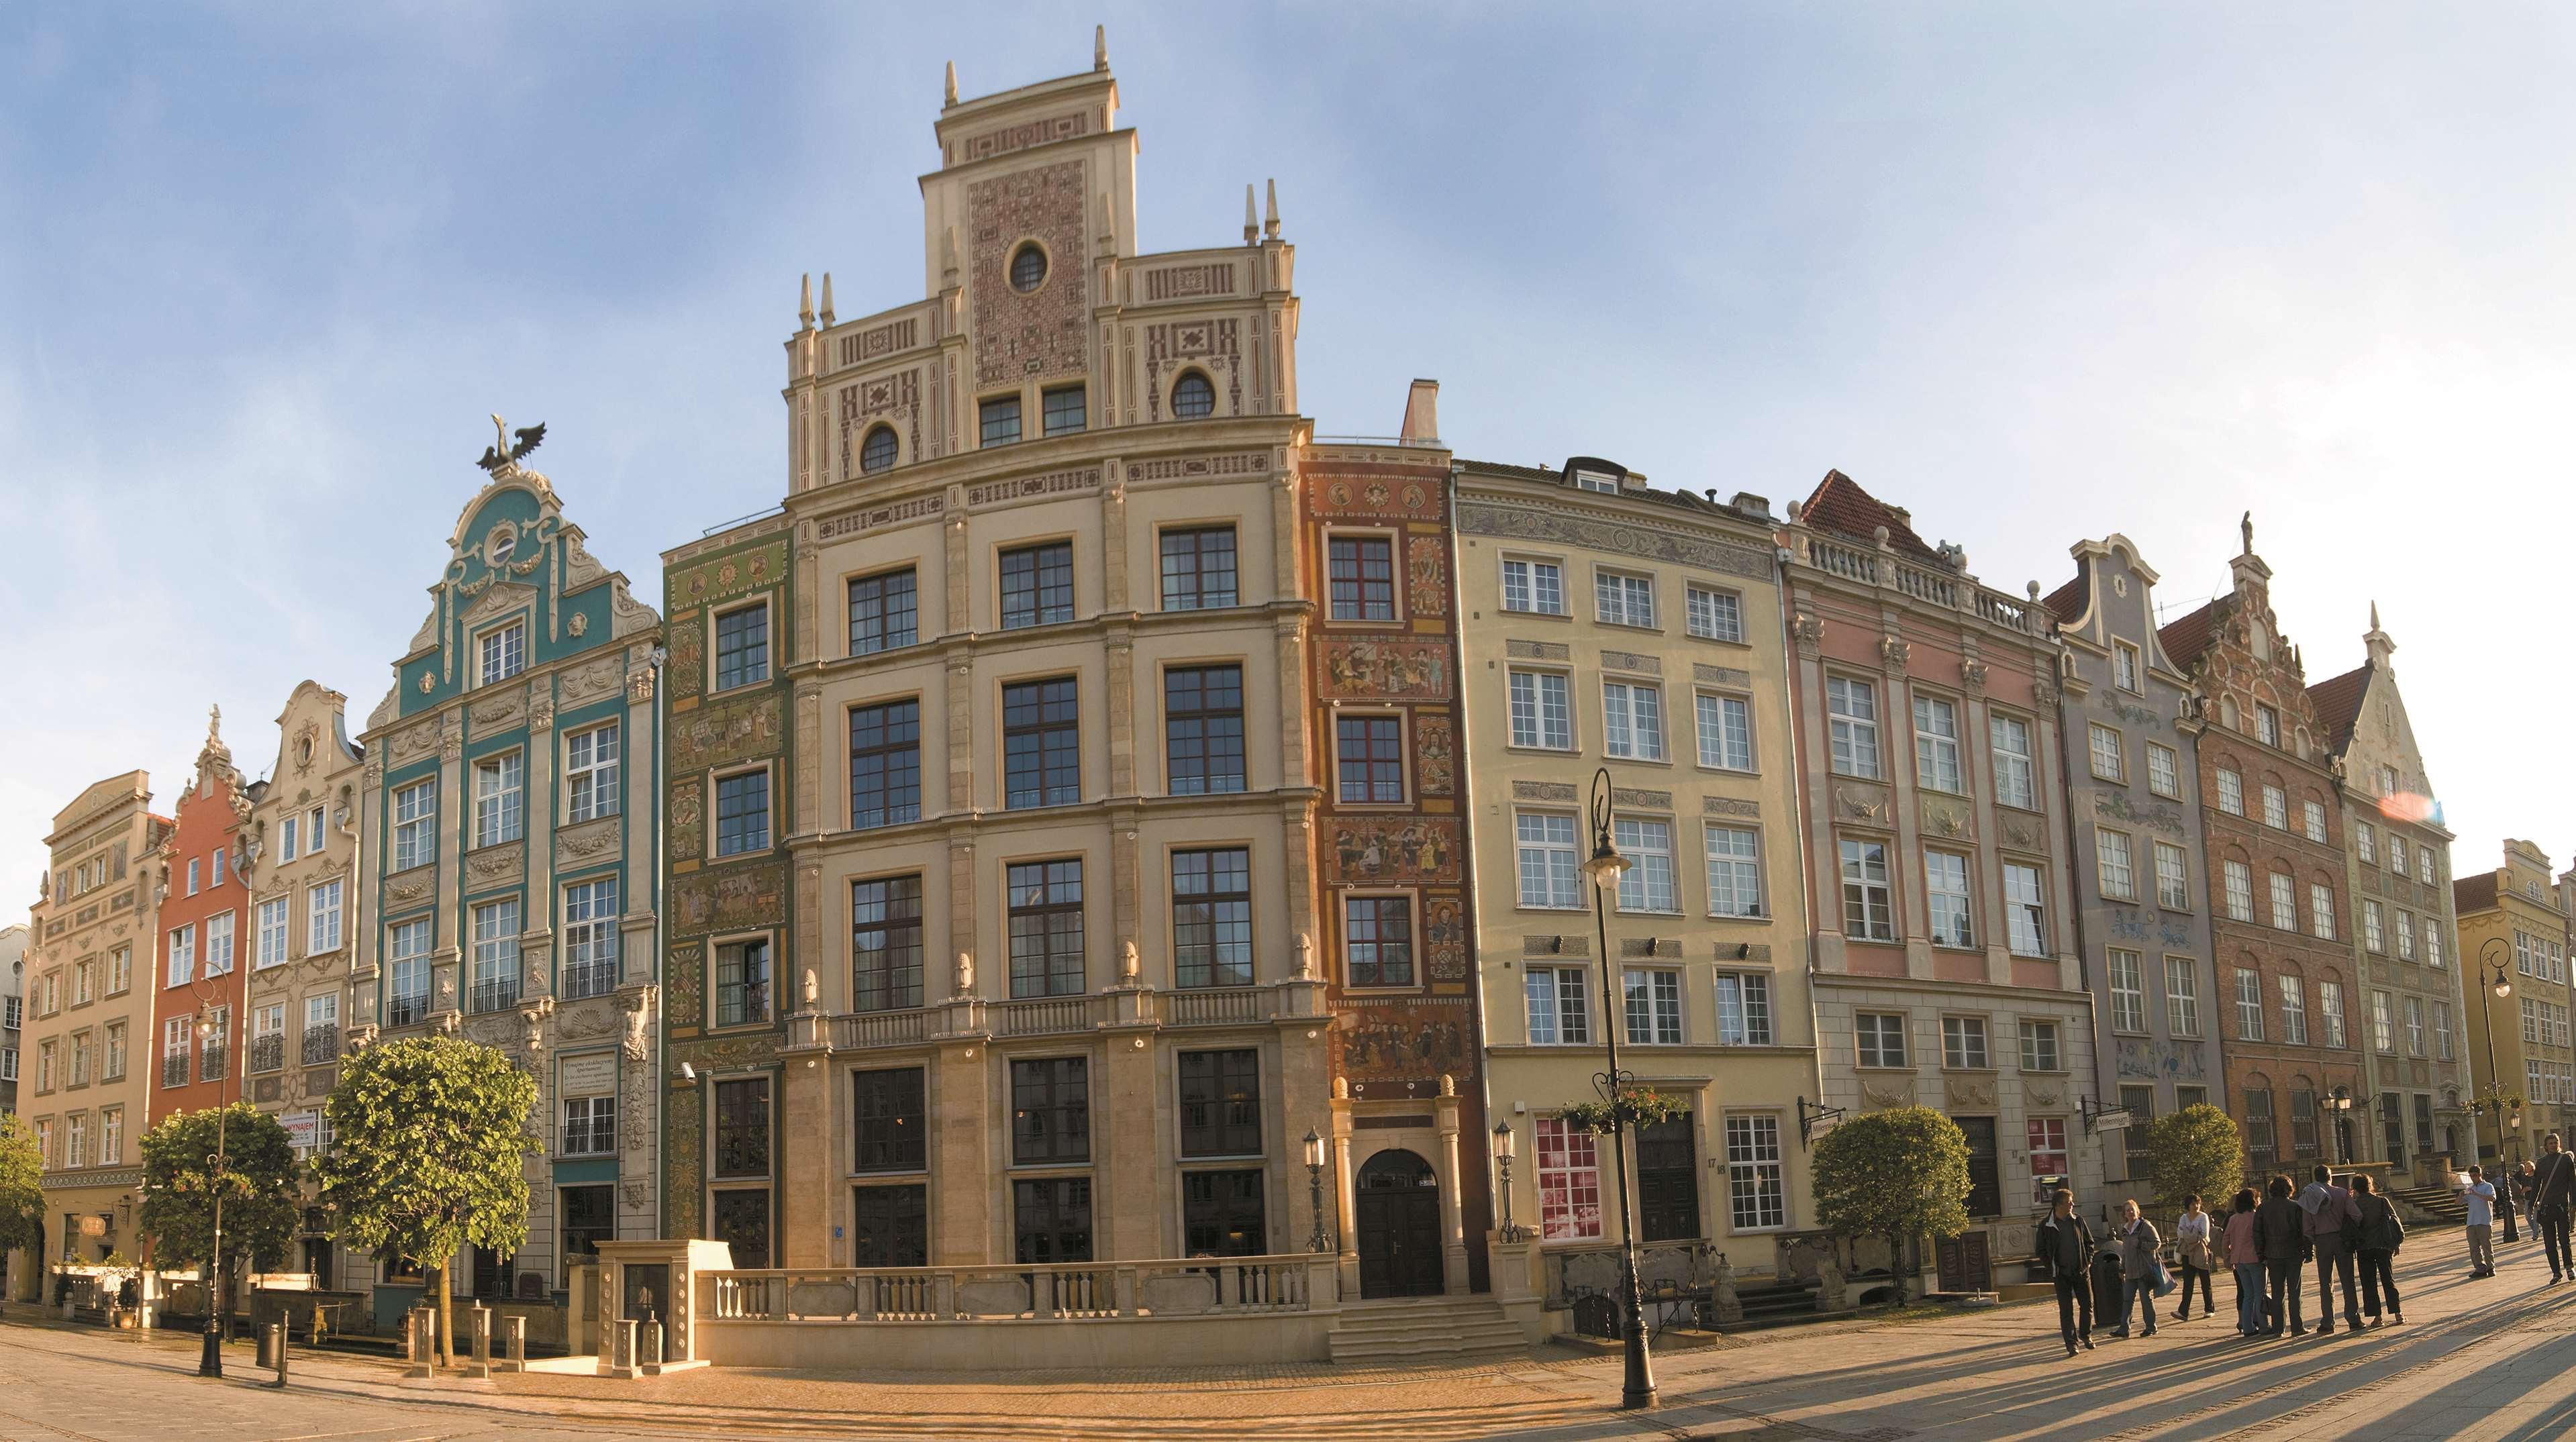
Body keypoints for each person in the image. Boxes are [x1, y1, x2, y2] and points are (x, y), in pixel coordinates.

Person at [2297, 1164, 2363, 1335]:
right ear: (2330, 1176)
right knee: (2347, 1280)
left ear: (2315, 1177)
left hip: (2322, 1240)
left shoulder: (2310, 1195)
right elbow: (2357, 1215)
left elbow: (2307, 1224)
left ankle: (2328, 1322)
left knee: (2325, 1282)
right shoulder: (2342, 1193)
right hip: (2342, 1238)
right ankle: (2353, 1318)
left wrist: (2311, 1239)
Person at [2035, 1186, 2096, 1356]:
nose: (2072, 1205)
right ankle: (2071, 1344)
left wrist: (2088, 1262)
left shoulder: (2078, 1221)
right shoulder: (2046, 1226)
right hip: (2061, 1274)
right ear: (2058, 1205)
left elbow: (2089, 1243)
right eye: (2069, 1202)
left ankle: (2086, 1335)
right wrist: (2052, 1267)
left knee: (2087, 1305)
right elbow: (2040, 1250)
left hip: (2081, 1271)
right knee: (2066, 1310)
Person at [2255, 1173, 2309, 1336]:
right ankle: (2297, 1327)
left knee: (2277, 1293)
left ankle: (2278, 1328)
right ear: (2289, 1189)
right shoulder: (2295, 1207)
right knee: (2295, 1291)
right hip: (2293, 1253)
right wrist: (2308, 1251)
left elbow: (2257, 1233)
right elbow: (2303, 1231)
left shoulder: (2263, 1208)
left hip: (2272, 1253)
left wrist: (2261, 1254)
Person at [2350, 1174, 2406, 1325]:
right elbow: (2394, 1222)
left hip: (2363, 1248)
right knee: (2388, 1279)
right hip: (2383, 1245)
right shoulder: (2381, 1201)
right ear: (2370, 1185)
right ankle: (2397, 1313)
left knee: (2369, 1283)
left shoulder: (2354, 1204)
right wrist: (2397, 1243)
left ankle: (2377, 1317)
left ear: (2355, 1188)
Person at [2110, 1198, 2163, 1340]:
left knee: (2146, 1300)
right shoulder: (2125, 1230)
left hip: (2145, 1270)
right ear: (2124, 1214)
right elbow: (2125, 1251)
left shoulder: (2145, 1226)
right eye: (2128, 1210)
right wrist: (2122, 1269)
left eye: (2133, 1209)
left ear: (2138, 1211)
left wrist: (2141, 1244)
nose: (2131, 1212)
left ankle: (2151, 1327)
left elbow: (2157, 1243)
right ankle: (2124, 1328)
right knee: (2127, 1300)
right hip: (2131, 1271)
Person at [2534, 1133, 2575, 1282]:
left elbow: (2573, 1182)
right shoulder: (2541, 1162)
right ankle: (2556, 1273)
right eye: (2550, 1143)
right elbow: (2536, 1184)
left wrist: (2574, 1202)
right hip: (2546, 1207)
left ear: (2559, 1144)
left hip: (2561, 1205)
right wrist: (2534, 1203)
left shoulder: (2565, 1159)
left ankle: (2569, 1267)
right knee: (2549, 1243)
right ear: (2546, 1146)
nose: (2553, 1145)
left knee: (2564, 1239)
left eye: (2555, 1142)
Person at [2224, 1187, 2265, 1337]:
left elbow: (2226, 1239)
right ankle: (2263, 1325)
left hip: (2239, 1261)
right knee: (2260, 1293)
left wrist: (2228, 1257)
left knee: (2248, 1295)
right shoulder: (2255, 1217)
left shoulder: (2234, 1218)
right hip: (2254, 1258)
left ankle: (2247, 1328)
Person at [2171, 1194, 2216, 1321]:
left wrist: (2188, 1232)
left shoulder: (2203, 1217)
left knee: (2205, 1281)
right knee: (2188, 1283)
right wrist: (2192, 1232)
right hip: (2187, 1252)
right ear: (2188, 1206)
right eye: (2192, 1204)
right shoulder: (2184, 1218)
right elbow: (2179, 1233)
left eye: (2197, 1203)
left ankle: (2209, 1309)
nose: (2196, 1206)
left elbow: (2204, 1234)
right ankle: (2184, 1312)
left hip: (2200, 1251)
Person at [2465, 1164, 2498, 1278]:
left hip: (2484, 1221)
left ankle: (2491, 1267)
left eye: (2474, 1175)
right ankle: (2480, 1268)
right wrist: (2460, 1196)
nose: (2473, 1178)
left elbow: (2492, 1198)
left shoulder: (2488, 1186)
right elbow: (2458, 1203)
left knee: (2486, 1246)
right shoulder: (2469, 1189)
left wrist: (2477, 1194)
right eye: (2471, 1176)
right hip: (2471, 1222)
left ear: (2480, 1175)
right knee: (2474, 1248)